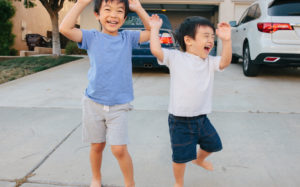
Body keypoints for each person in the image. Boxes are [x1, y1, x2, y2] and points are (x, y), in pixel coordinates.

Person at [59, 0, 150, 186]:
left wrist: (139, 9)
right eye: (107, 10)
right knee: (97, 146)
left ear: (124, 18)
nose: (113, 15)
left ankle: (130, 183)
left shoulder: (127, 38)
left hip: (119, 104)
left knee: (119, 149)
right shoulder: (91, 37)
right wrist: (81, 3)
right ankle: (96, 178)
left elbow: (150, 32)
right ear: (97, 15)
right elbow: (65, 28)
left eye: (119, 11)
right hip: (93, 102)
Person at [149, 15, 232, 187]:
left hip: (202, 118)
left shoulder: (209, 62)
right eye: (206, 36)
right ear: (188, 40)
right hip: (180, 120)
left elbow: (225, 62)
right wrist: (155, 29)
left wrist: (227, 40)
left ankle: (199, 160)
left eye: (212, 37)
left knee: (214, 144)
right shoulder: (176, 58)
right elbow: (156, 51)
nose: (210, 40)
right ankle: (178, 183)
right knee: (180, 157)